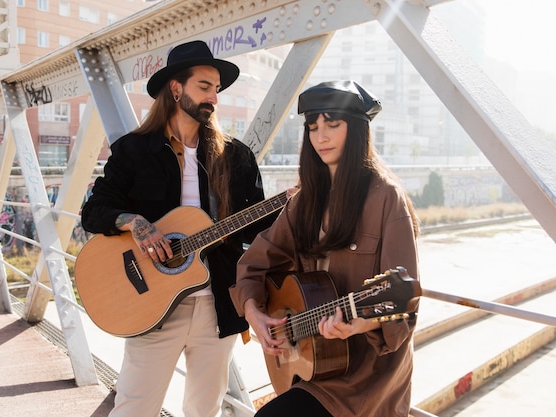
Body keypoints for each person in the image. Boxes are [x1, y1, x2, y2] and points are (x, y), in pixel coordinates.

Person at [81, 40, 274, 417]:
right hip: (151, 305)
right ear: (175, 88)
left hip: (217, 304)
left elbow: (262, 226)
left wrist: (302, 204)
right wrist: (135, 222)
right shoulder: (134, 151)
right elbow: (94, 211)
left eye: (216, 89)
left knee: (206, 409)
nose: (214, 98)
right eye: (205, 86)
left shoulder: (235, 156)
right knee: (134, 408)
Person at [229, 80, 420, 417]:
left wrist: (361, 323)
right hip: (315, 362)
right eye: (313, 127)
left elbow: (404, 300)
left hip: (366, 376)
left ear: (358, 129)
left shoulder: (387, 198)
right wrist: (253, 312)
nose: (321, 137)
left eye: (333, 124)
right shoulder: (303, 202)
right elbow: (254, 263)